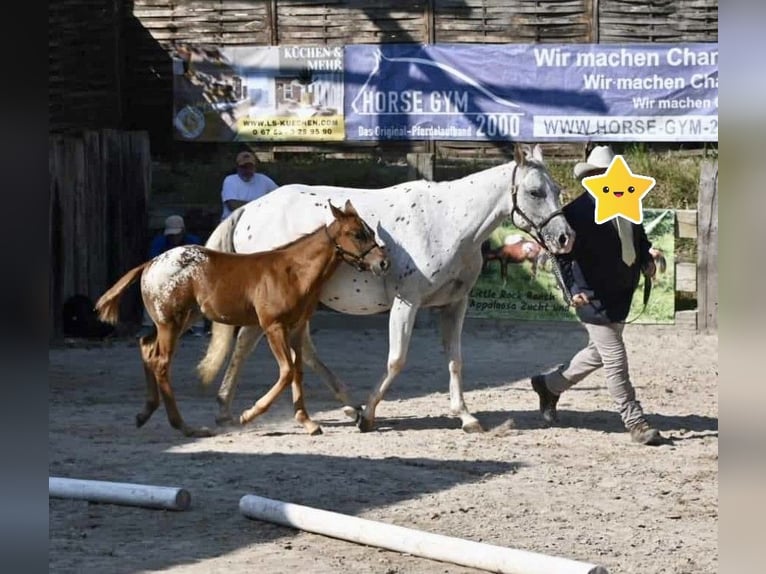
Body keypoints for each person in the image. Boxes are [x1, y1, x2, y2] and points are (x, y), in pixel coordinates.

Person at [530, 145, 663, 446]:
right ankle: (635, 421)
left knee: (596, 355)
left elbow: (639, 239)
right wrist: (572, 291)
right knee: (615, 358)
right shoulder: (576, 213)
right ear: (590, 177)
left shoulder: (629, 203)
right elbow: (559, 256)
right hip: (591, 297)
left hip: (620, 293)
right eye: (602, 175)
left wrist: (647, 258)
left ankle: (548, 386)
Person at [220, 151, 278, 220]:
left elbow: (279, 194)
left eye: (250, 167)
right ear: (237, 167)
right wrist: (261, 205)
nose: (247, 170)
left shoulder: (264, 179)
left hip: (257, 221)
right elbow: (232, 205)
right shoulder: (230, 180)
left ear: (255, 167)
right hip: (234, 222)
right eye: (244, 167)